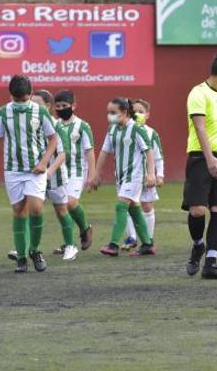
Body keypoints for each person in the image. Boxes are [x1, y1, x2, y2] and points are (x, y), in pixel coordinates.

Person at [0, 75, 60, 273]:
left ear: (31, 94)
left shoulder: (40, 112)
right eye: (16, 100)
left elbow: (53, 139)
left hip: (36, 170)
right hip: (13, 171)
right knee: (18, 210)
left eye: (24, 99)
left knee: (36, 208)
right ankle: (21, 257)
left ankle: (35, 250)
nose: (19, 103)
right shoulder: (3, 113)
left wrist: (44, 162)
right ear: (11, 96)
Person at [182, 53, 217, 279]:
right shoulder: (198, 93)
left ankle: (211, 264)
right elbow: (200, 128)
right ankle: (198, 245)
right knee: (197, 210)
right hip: (200, 157)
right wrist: (209, 159)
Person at [87, 98, 156, 256]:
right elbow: (104, 152)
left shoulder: (137, 128)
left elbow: (149, 151)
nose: (109, 116)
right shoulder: (112, 130)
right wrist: (96, 175)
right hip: (121, 177)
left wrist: (151, 173)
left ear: (124, 112)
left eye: (113, 113)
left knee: (121, 206)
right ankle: (147, 244)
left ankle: (113, 245)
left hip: (135, 176)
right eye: (108, 113)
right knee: (133, 209)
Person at [30, 90, 76, 261]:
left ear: (48, 106)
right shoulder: (30, 123)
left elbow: (63, 153)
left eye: (38, 104)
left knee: (61, 210)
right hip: (34, 177)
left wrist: (50, 171)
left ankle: (70, 246)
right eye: (31, 103)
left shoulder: (57, 125)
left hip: (54, 177)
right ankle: (29, 247)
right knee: (32, 211)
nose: (34, 107)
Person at [53, 90, 95, 252]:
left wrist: (92, 174)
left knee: (69, 202)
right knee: (61, 208)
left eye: (64, 106)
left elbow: (89, 151)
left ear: (73, 106)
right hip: (59, 170)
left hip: (77, 171)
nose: (61, 109)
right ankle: (68, 242)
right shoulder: (53, 124)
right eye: (58, 106)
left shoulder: (82, 126)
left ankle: (85, 228)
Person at [123, 99, 164, 256]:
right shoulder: (124, 130)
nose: (137, 114)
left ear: (147, 114)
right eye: (135, 111)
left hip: (147, 177)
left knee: (146, 206)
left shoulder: (151, 133)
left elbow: (158, 156)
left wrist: (158, 175)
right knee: (127, 205)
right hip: (129, 176)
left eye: (141, 111)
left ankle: (149, 240)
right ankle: (132, 237)